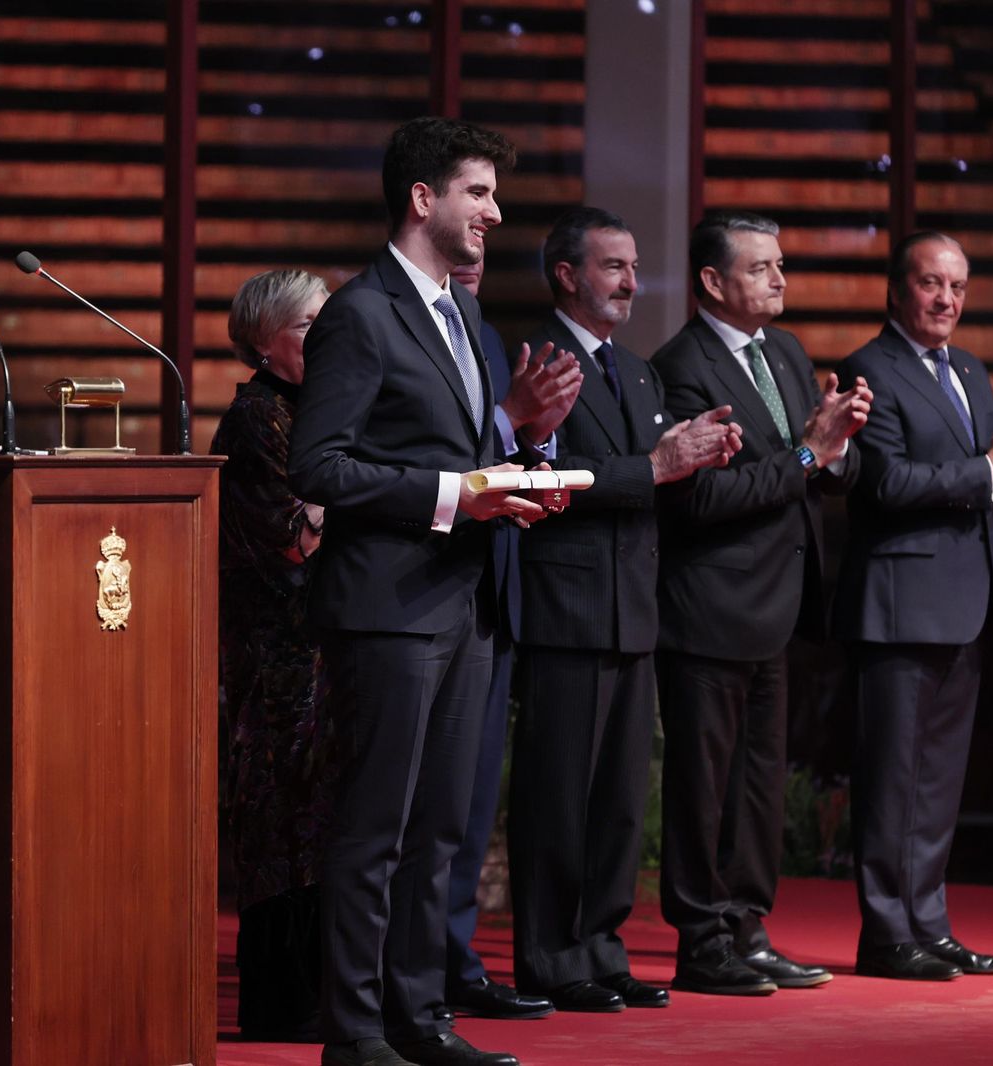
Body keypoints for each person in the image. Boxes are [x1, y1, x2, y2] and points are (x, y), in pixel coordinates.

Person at [288, 116, 550, 1066]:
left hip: (467, 603)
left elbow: (473, 452)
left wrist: (516, 474)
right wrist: (456, 494)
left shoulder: (467, 317)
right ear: (423, 199)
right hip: (388, 609)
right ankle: (354, 1034)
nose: (494, 211)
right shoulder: (360, 314)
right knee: (376, 831)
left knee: (441, 830)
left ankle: (418, 1020)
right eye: (478, 193)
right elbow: (318, 465)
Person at [509, 206, 741, 1012]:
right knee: (558, 796)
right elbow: (549, 480)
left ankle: (602, 949)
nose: (633, 283)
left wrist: (699, 449)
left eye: (636, 267)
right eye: (614, 267)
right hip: (565, 608)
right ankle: (549, 955)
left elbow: (654, 476)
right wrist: (654, 465)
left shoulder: (639, 372)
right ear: (567, 274)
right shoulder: (534, 360)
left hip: (635, 609)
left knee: (616, 801)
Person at [834, 232, 993, 981]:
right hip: (900, 604)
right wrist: (991, 462)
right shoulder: (870, 367)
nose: (947, 300)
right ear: (897, 290)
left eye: (958, 287)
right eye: (932, 283)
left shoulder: (967, 368)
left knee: (937, 782)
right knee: (892, 777)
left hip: (966, 601)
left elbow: (985, 479)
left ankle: (929, 924)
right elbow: (886, 485)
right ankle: (885, 933)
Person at [652, 210, 870, 996]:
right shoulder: (680, 366)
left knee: (759, 782)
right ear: (713, 281)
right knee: (702, 785)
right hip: (710, 605)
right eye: (760, 268)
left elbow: (814, 463)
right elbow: (700, 498)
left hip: (777, 604)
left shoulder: (784, 350)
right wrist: (811, 452)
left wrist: (837, 446)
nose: (779, 278)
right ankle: (701, 938)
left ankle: (747, 925)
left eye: (780, 264)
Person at [440, 257, 578, 1023]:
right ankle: (411, 971)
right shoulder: (399, 332)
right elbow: (429, 455)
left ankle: (455, 960)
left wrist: (541, 444)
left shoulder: (490, 337)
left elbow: (508, 451)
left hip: (494, 587)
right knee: (422, 811)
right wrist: (508, 418)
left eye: (486, 238)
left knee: (468, 805)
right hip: (421, 592)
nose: (474, 254)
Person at [210, 268, 341, 1041]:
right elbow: (293, 540)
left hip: (330, 648)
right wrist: (355, 497)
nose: (326, 339)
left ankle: (329, 994)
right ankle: (284, 1006)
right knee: (285, 825)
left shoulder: (319, 407)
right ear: (264, 343)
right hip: (279, 663)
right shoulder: (259, 418)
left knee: (329, 827)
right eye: (308, 326)